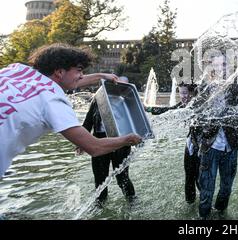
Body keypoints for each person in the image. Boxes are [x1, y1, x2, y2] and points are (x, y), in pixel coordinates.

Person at [0, 43, 142, 179]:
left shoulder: (17, 70)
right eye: (79, 70)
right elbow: (94, 147)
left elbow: (67, 81)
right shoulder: (54, 101)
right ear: (60, 72)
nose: (81, 75)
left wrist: (100, 76)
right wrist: (127, 139)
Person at [191, 52, 238, 219]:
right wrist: (196, 142)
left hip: (231, 145)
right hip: (210, 145)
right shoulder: (203, 89)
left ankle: (221, 213)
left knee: (227, 187)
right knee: (207, 189)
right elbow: (195, 117)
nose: (219, 69)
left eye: (223, 65)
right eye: (216, 65)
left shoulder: (235, 88)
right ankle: (204, 217)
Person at [82, 76, 136, 205]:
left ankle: (132, 202)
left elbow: (135, 121)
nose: (120, 88)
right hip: (99, 142)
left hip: (121, 143)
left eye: (124, 86)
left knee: (122, 177)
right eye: (117, 85)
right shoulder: (98, 99)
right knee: (100, 179)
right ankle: (100, 204)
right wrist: (81, 143)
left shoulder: (128, 100)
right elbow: (88, 121)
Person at [146, 82, 200, 204]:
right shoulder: (183, 106)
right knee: (189, 176)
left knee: (200, 178)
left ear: (192, 93)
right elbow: (169, 110)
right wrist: (148, 108)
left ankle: (205, 204)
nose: (183, 96)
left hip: (202, 146)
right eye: (180, 93)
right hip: (190, 144)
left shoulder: (199, 106)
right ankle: (190, 203)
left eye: (185, 93)